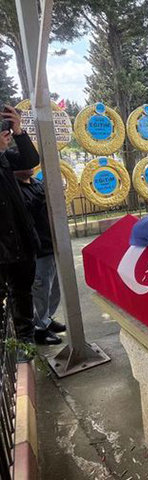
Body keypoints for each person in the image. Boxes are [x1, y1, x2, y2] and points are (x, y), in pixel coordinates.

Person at [0, 105, 39, 349]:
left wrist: (19, 131)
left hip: (20, 243)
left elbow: (31, 160)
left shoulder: (5, 156)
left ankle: (26, 345)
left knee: (23, 295)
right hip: (2, 248)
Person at [14, 168, 66, 345]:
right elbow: (24, 213)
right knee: (41, 291)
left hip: (52, 245)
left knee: (55, 289)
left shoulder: (36, 183)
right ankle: (40, 329)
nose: (30, 165)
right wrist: (43, 199)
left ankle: (46, 319)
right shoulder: (14, 189)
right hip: (38, 249)